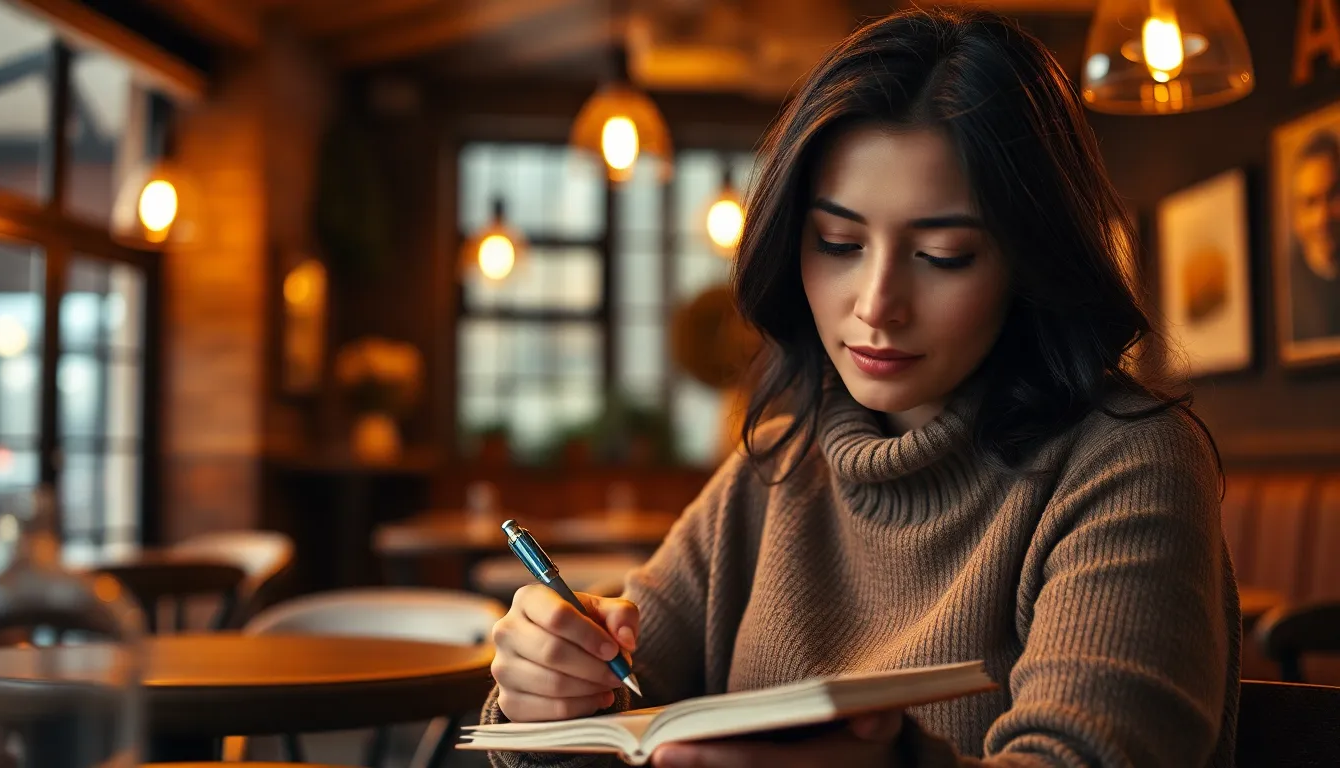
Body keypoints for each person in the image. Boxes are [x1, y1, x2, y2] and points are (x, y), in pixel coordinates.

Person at [484, 8, 1239, 767]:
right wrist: (547, 688)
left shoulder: (1127, 462)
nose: (876, 304)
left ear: (1031, 261)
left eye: (944, 255)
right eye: (839, 243)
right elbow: (620, 687)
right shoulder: (777, 466)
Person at [1286, 129, 1340, 342]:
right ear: (1296, 216)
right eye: (1310, 202)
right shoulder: (1286, 289)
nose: (1322, 218)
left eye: (1334, 195)